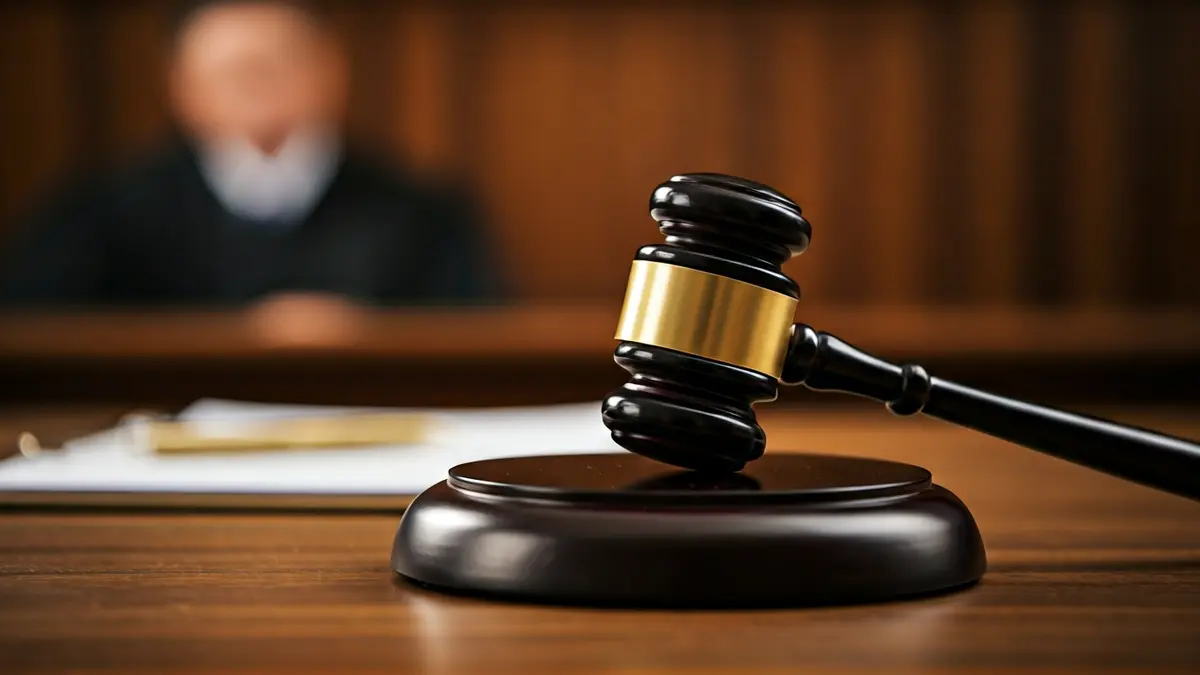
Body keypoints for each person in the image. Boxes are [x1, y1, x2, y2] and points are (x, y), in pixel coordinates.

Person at [0, 0, 504, 310]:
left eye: (274, 66)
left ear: (332, 70)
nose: (256, 88)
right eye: (233, 71)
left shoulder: (422, 212)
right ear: (181, 89)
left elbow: (479, 340)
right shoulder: (105, 211)